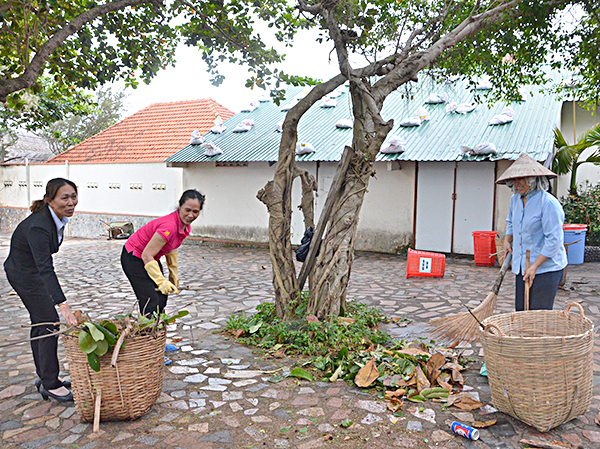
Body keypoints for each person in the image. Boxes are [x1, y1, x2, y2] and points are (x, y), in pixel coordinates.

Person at [4, 178, 79, 402]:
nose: (71, 202)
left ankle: (44, 376)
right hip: (24, 274)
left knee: (41, 323)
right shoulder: (39, 226)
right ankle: (50, 383)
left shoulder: (56, 219)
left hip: (32, 271)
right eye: (64, 198)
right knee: (49, 322)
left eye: (73, 196)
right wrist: (62, 304)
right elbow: (46, 269)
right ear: (49, 200)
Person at [496, 153, 568, 311]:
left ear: (533, 179)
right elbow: (511, 222)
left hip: (546, 269)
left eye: (522, 179)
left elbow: (554, 241)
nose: (517, 183)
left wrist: (535, 266)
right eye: (514, 179)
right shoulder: (515, 200)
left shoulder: (548, 203)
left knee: (538, 313)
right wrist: (508, 240)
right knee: (522, 311)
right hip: (523, 267)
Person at [121, 189, 204, 317]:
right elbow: (146, 255)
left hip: (150, 257)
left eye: (195, 212)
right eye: (187, 210)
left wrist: (173, 273)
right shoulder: (169, 226)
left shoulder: (185, 227)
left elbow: (171, 247)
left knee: (162, 297)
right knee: (150, 299)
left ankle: (158, 327)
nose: (191, 215)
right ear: (180, 206)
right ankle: (148, 331)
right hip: (134, 256)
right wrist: (161, 281)